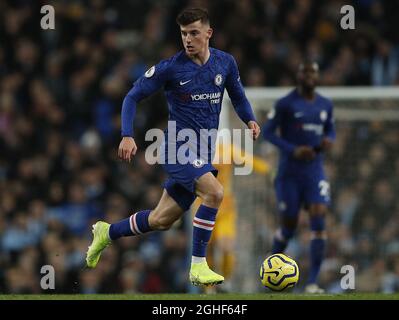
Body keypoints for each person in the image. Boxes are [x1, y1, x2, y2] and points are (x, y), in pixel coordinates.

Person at [86, 7, 260, 287]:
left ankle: (107, 232)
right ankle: (199, 266)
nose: (188, 39)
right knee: (215, 193)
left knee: (160, 220)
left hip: (201, 152)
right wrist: (127, 134)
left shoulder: (225, 63)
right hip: (176, 148)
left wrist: (250, 119)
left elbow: (238, 96)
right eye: (183, 34)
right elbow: (132, 97)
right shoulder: (171, 67)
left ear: (208, 33)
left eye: (193, 33)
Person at [262, 61, 336, 293]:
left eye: (313, 72)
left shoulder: (326, 104)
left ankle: (312, 282)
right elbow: (267, 132)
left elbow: (330, 129)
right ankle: (271, 269)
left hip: (314, 170)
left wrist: (329, 140)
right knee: (290, 225)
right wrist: (292, 149)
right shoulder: (285, 104)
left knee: (319, 217)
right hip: (289, 173)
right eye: (305, 72)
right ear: (298, 76)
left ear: (318, 76)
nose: (309, 76)